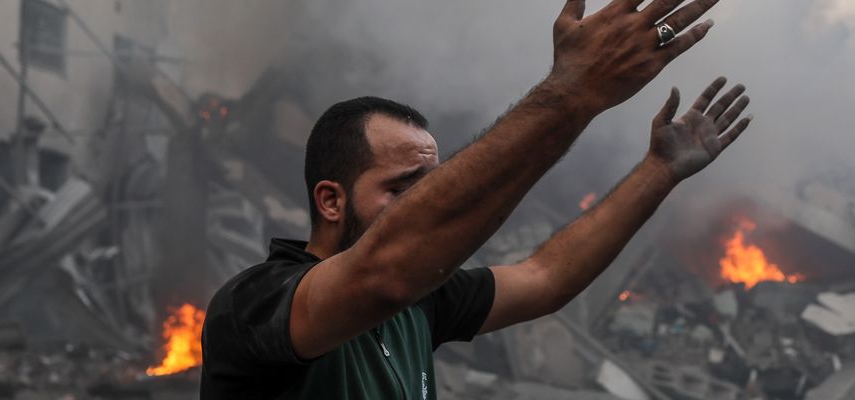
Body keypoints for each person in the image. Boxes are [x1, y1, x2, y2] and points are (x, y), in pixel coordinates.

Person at [200, 0, 752, 398]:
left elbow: (546, 278)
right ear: (330, 201)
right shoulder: (255, 304)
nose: (429, 208)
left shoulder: (421, 304)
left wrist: (658, 172)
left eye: (433, 186)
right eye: (401, 190)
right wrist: (574, 94)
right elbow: (380, 275)